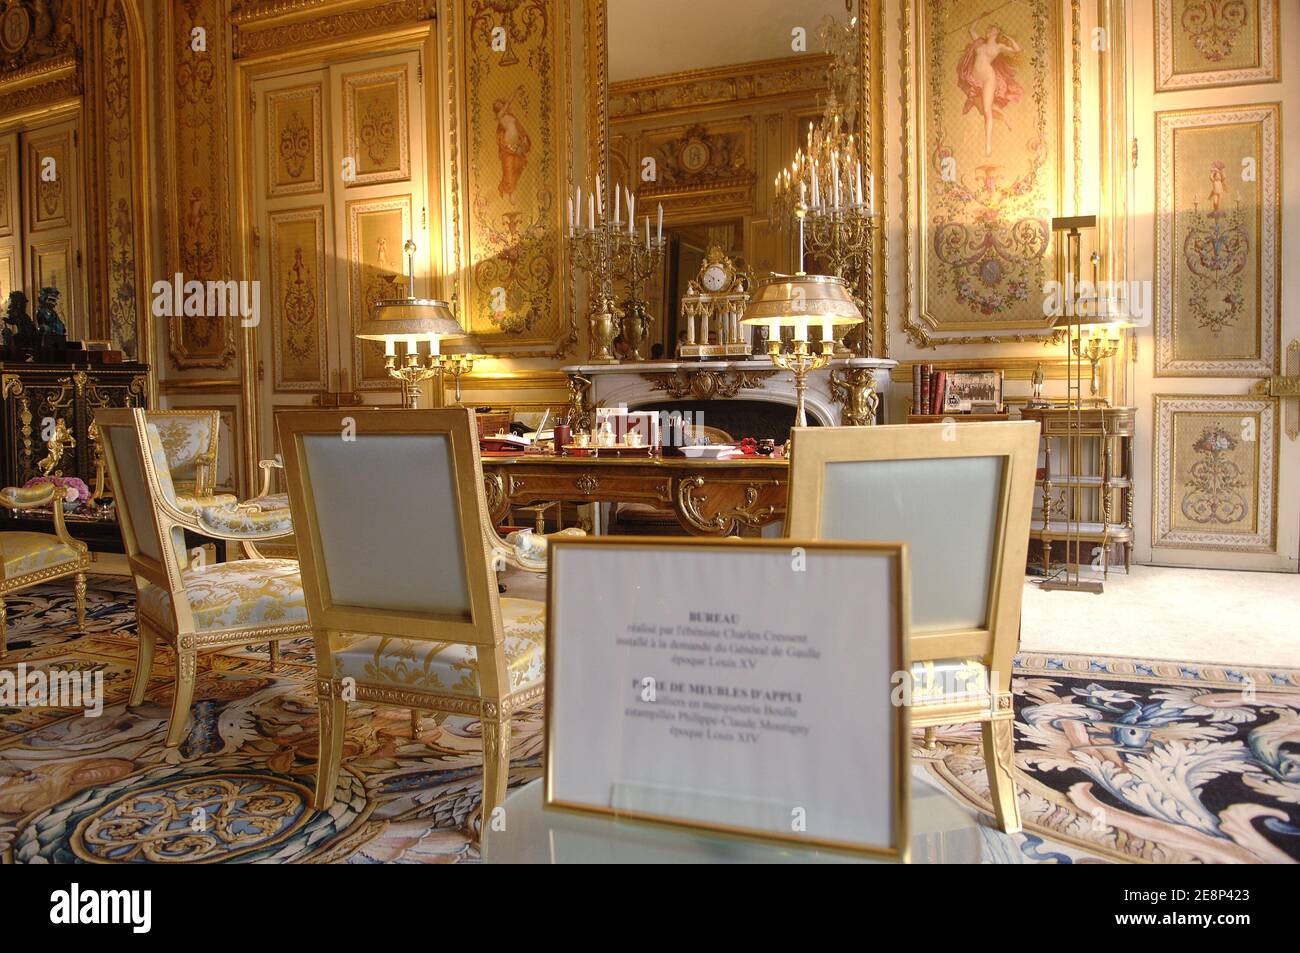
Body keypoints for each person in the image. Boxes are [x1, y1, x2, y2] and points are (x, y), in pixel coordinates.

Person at [957, 20, 1022, 156]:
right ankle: (1004, 117)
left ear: (996, 32)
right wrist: (980, 17)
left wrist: (1007, 38)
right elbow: (971, 29)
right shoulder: (980, 42)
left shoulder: (998, 46)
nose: (988, 30)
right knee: (983, 108)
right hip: (974, 79)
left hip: (988, 78)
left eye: (991, 28)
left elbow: (1017, 49)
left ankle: (988, 145)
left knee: (987, 110)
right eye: (987, 29)